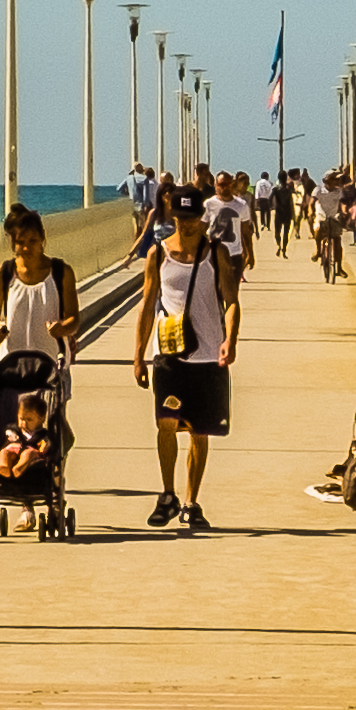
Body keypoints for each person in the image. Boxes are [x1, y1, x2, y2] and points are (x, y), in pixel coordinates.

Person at [132, 185, 241, 530]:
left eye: (193, 218)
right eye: (181, 219)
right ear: (174, 217)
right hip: (168, 355)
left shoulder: (217, 253)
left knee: (199, 431)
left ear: (202, 218)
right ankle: (168, 494)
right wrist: (138, 354)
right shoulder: (158, 255)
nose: (188, 225)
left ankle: (191, 501)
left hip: (208, 354)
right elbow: (148, 305)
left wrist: (230, 341)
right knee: (166, 424)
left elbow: (232, 301)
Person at [0, 204, 80, 370]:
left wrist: (63, 328)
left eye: (33, 241)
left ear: (42, 238)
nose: (27, 248)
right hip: (11, 366)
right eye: (20, 242)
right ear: (12, 242)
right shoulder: (3, 273)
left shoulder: (61, 272)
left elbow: (74, 319)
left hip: (51, 366)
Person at [206, 171, 256, 282]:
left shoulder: (241, 205)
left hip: (234, 255)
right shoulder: (208, 205)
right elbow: (201, 230)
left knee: (232, 292)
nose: (225, 188)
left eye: (228, 184)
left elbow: (246, 232)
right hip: (214, 255)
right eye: (222, 185)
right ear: (216, 186)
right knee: (215, 292)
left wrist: (250, 253)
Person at [0, 392, 54, 479]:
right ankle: (4, 467)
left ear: (41, 418)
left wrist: (44, 446)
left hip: (32, 454)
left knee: (28, 453)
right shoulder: (15, 430)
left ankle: (19, 468)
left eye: (29, 420)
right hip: (15, 450)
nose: (24, 423)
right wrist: (10, 438)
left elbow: (46, 442)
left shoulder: (42, 433)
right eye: (21, 419)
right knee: (4, 452)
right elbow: (8, 436)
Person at [311, 172, 348, 281]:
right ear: (327, 181)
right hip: (321, 216)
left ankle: (339, 268)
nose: (337, 182)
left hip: (334, 216)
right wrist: (310, 212)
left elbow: (342, 203)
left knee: (337, 241)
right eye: (334, 180)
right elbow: (312, 202)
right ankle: (318, 251)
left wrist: (344, 212)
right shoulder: (318, 190)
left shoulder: (339, 191)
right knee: (318, 231)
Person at [269, 171, 294, 258]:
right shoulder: (289, 189)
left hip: (279, 212)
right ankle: (284, 250)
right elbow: (292, 201)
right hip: (288, 212)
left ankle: (279, 245)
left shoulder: (275, 189)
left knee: (277, 232)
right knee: (286, 233)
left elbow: (270, 200)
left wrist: (271, 207)